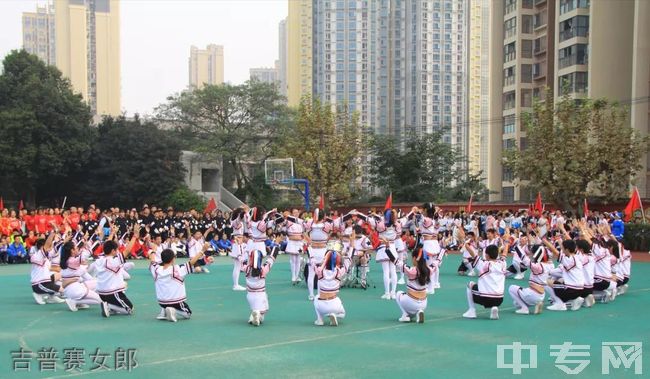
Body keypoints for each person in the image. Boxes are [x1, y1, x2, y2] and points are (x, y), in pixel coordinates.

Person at [149, 241, 209, 322]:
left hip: (161, 302)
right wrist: (203, 250)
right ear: (173, 259)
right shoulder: (177, 269)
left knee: (166, 304)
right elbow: (191, 262)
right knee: (188, 313)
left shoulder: (156, 269)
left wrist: (153, 250)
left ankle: (164, 310)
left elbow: (152, 260)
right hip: (175, 302)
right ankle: (172, 310)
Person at [90, 225, 140, 317]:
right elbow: (126, 251)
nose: (117, 251)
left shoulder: (100, 258)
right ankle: (108, 306)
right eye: (116, 250)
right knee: (129, 309)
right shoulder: (112, 261)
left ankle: (111, 307)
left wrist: (112, 233)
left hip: (102, 293)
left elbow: (107, 244)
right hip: (112, 293)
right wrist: (134, 236)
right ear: (113, 251)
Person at [461, 235, 510, 320]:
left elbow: (473, 254)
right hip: (499, 300)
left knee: (470, 285)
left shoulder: (484, 264)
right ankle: (494, 307)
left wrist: (466, 244)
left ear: (486, 255)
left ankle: (472, 311)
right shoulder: (503, 263)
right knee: (493, 294)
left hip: (485, 299)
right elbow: (505, 253)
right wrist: (506, 243)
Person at [542, 238, 585, 311]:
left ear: (567, 250)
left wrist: (544, 241)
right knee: (560, 280)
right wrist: (559, 240)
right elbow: (563, 249)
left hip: (571, 290)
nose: (561, 250)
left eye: (563, 248)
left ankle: (560, 304)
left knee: (543, 281)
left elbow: (555, 251)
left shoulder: (568, 260)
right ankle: (575, 299)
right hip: (580, 289)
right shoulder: (577, 257)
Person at [60, 240, 102, 312]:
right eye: (76, 247)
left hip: (73, 288)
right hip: (74, 290)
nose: (77, 249)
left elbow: (84, 271)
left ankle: (79, 302)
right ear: (72, 251)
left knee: (98, 283)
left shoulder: (67, 260)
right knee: (100, 300)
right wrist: (97, 243)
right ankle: (75, 302)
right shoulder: (71, 261)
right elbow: (83, 256)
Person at [507, 245, 549, 315]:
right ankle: (537, 303)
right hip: (542, 295)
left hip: (533, 294)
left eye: (532, 252)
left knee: (511, 288)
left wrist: (517, 246)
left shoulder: (537, 266)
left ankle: (524, 308)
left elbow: (525, 259)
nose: (531, 254)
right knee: (516, 303)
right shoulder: (549, 265)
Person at [242, 247, 279, 326]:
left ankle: (252, 317)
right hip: (260, 295)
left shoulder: (247, 269)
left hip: (250, 295)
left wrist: (244, 249)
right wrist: (275, 247)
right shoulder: (263, 270)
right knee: (262, 313)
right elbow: (270, 260)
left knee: (255, 309)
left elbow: (243, 260)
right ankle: (257, 315)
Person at [313, 250, 351, 326]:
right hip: (335, 305)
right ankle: (335, 315)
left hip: (322, 306)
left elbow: (312, 261)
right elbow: (348, 260)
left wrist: (325, 259)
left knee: (316, 297)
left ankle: (320, 320)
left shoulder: (320, 271)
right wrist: (351, 246)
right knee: (342, 313)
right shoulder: (339, 272)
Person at [394, 248, 430, 323]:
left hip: (412, 301)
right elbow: (437, 262)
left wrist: (387, 249)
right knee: (413, 310)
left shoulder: (412, 271)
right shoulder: (428, 270)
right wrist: (443, 249)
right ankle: (419, 312)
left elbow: (397, 263)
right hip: (424, 303)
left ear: (414, 258)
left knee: (398, 293)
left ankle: (405, 315)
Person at [30, 231, 65, 305]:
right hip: (39, 284)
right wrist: (52, 233)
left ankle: (51, 297)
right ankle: (39, 294)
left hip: (46, 282)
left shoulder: (45, 255)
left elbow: (56, 248)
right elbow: (48, 244)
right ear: (42, 247)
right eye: (48, 246)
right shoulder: (38, 255)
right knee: (64, 290)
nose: (50, 247)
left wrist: (63, 240)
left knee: (60, 278)